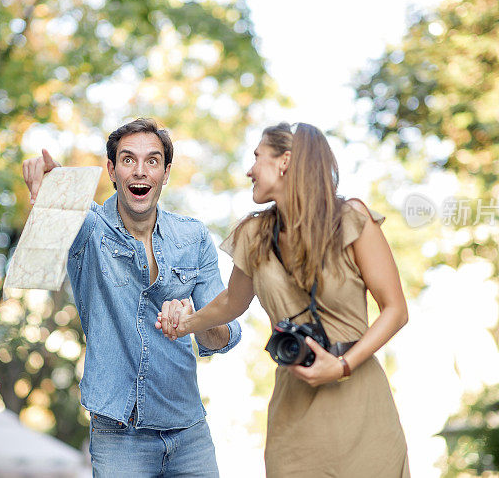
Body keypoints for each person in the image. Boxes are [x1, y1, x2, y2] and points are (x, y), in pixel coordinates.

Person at [157, 122, 410, 477]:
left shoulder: (352, 219)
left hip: (360, 403)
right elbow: (232, 301)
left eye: (257, 157)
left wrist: (341, 366)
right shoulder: (254, 233)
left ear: (285, 161)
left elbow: (396, 310)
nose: (249, 169)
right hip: (294, 413)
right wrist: (185, 324)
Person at [22, 117, 241, 477]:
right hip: (118, 435)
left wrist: (194, 321)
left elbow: (224, 334)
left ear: (166, 173)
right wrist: (53, 179)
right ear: (111, 169)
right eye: (128, 160)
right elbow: (66, 202)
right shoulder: (91, 229)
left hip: (188, 431)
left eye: (152, 161)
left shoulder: (194, 238)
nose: (140, 171)